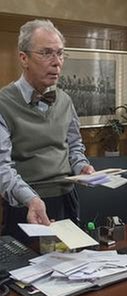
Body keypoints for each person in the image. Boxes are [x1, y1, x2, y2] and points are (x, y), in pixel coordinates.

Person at [0, 19, 94, 243]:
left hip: (67, 200)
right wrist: (31, 199)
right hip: (27, 206)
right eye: (47, 53)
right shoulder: (3, 103)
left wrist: (82, 165)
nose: (57, 63)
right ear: (24, 58)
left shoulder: (65, 100)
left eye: (60, 54)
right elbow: (2, 169)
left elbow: (74, 147)